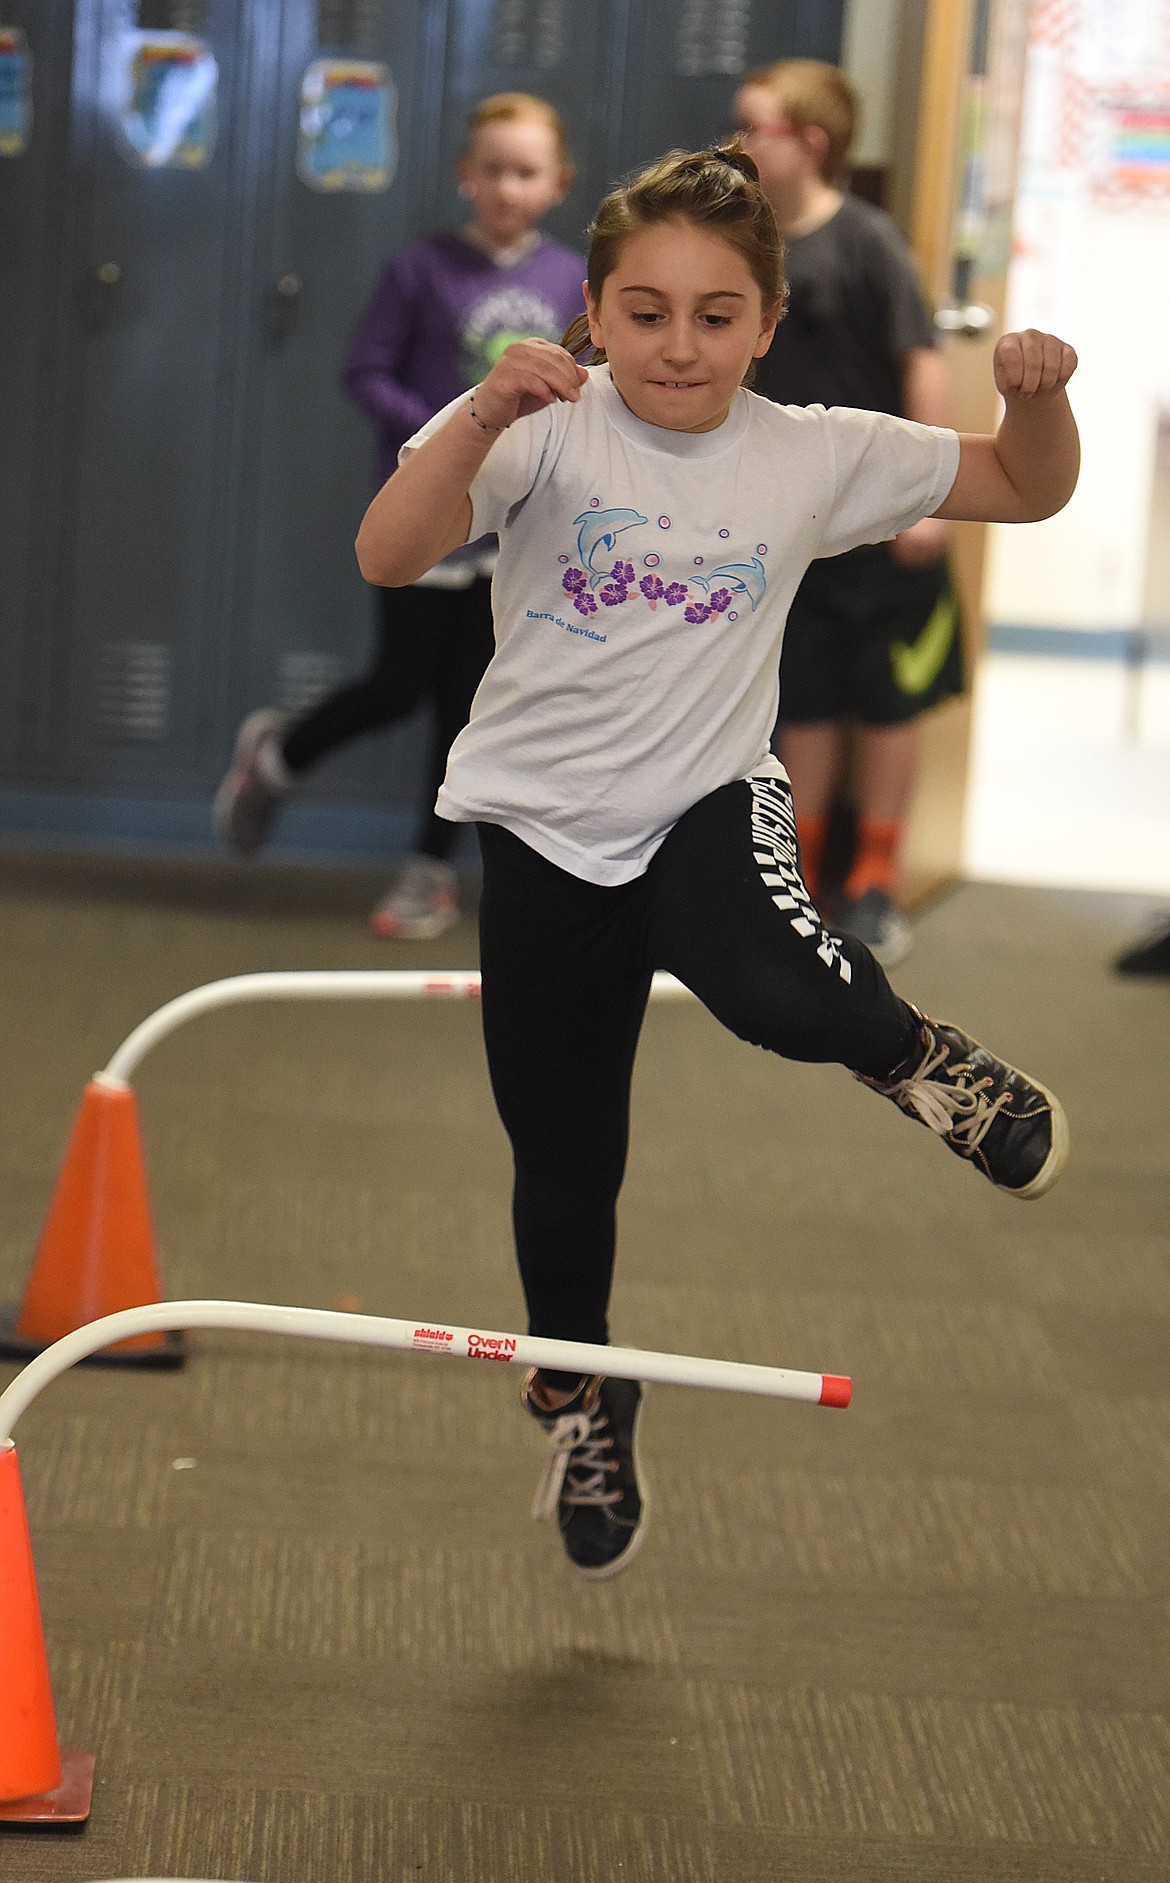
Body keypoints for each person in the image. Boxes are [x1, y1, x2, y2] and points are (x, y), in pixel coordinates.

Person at [353, 145, 1079, 1580]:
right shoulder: (537, 422)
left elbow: (1021, 487)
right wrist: (481, 412)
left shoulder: (812, 450)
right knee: (562, 1166)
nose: (675, 345)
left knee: (776, 988)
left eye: (711, 314)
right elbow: (388, 552)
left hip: (705, 791)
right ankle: (580, 1385)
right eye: (643, 311)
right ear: (592, 310)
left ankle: (926, 1061)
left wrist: (1035, 402)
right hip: (543, 826)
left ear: (764, 320)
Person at [213, 94, 586, 939]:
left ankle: (428, 870)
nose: (506, 186)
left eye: (524, 172)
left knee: (469, 706)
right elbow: (365, 369)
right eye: (490, 169)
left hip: (513, 528)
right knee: (398, 686)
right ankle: (277, 757)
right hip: (429, 517)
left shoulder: (569, 279)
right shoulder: (420, 269)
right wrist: (445, 424)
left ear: (556, 183)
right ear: (465, 176)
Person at [734, 60, 961, 967]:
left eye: (755, 127)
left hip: (886, 530)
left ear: (810, 144)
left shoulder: (865, 240)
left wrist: (929, 501)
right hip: (801, 530)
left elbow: (924, 363)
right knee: (808, 705)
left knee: (885, 703)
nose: (738, 143)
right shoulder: (749, 245)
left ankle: (874, 882)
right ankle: (809, 879)